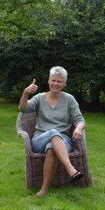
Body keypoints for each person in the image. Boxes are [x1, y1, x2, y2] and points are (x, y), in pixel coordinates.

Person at [19, 66, 86, 196]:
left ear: (64, 84)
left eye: (59, 81)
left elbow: (80, 119)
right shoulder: (39, 98)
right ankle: (71, 169)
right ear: (49, 81)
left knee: (52, 149)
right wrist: (25, 93)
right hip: (40, 139)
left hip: (63, 141)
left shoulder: (69, 99)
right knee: (53, 132)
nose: (56, 83)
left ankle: (43, 190)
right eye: (53, 80)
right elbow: (23, 109)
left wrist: (78, 128)